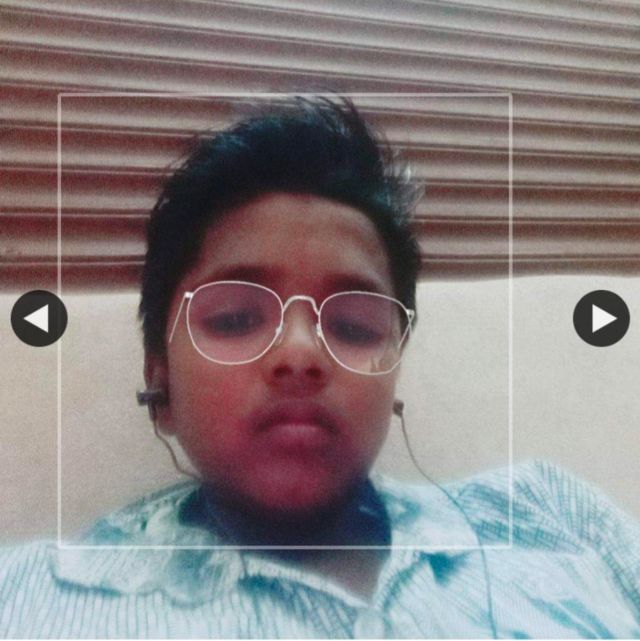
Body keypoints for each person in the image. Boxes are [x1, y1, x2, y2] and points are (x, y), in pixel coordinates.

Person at [1, 96, 639, 639]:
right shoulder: (29, 599)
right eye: (235, 318)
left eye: (354, 327)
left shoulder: (552, 517)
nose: (301, 354)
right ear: (160, 384)